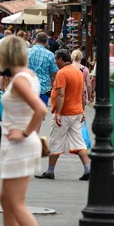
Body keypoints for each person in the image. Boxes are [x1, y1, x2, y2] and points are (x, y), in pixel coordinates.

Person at [0, 36, 47, 226]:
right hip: (19, 142)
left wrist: (25, 133)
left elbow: (41, 109)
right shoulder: (28, 75)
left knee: (16, 203)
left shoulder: (19, 80)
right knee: (7, 200)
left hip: (21, 143)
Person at [36, 49, 90, 181]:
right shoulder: (78, 72)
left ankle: (50, 171)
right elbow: (82, 94)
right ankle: (88, 169)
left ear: (60, 59)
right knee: (79, 142)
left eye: (56, 59)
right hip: (76, 112)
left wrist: (58, 113)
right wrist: (82, 110)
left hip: (65, 112)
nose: (55, 62)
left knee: (55, 141)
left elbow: (61, 94)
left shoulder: (62, 73)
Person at [27, 32, 59, 108]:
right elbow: (54, 73)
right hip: (43, 88)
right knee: (39, 114)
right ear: (46, 42)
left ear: (35, 40)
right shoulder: (49, 54)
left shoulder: (27, 52)